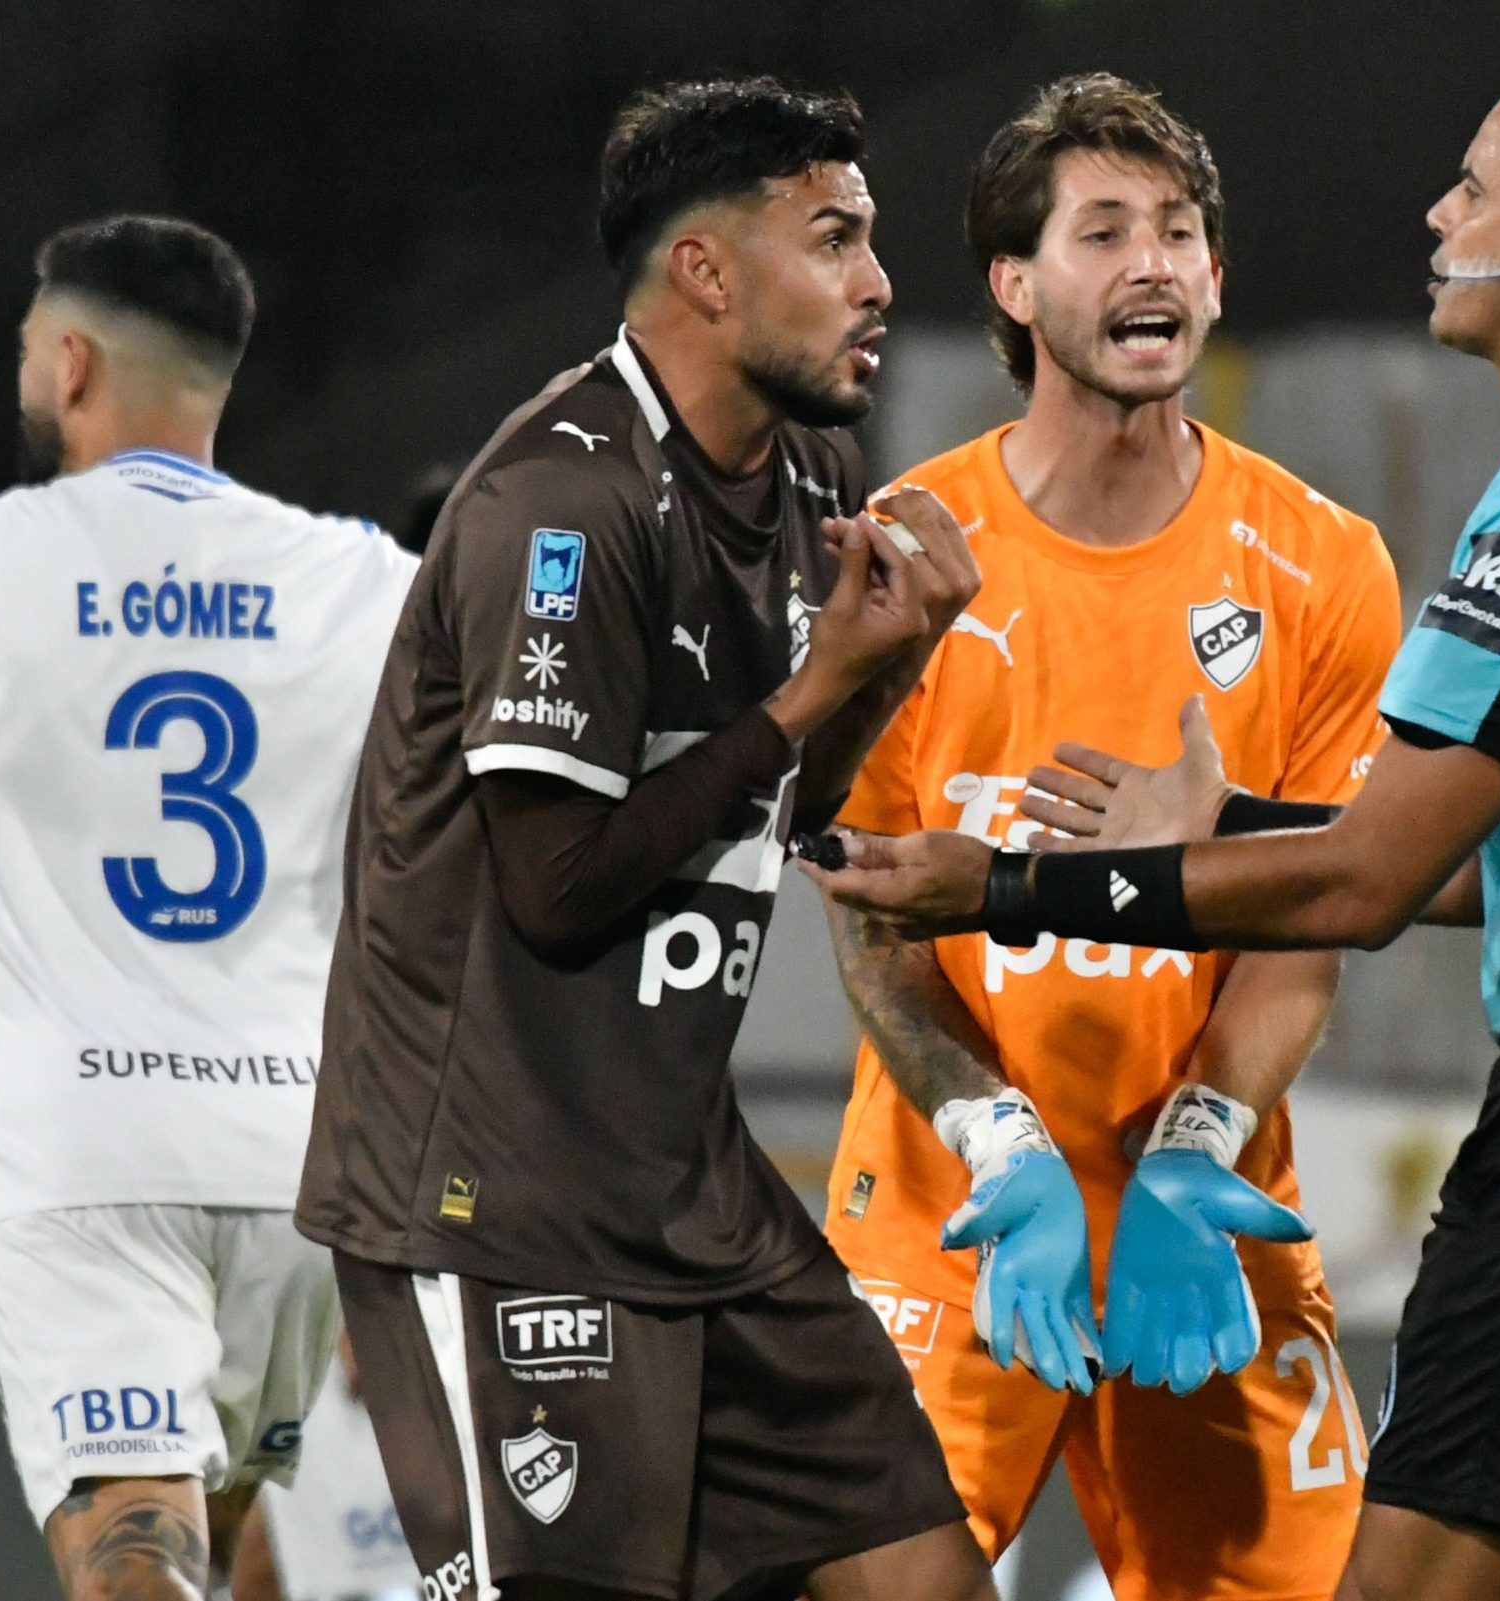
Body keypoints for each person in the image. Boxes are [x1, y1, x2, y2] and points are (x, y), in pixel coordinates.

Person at [814, 57, 1500, 1601]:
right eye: (1106, 230)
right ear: (1012, 281)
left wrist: (1014, 882)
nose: (1437, 211)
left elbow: (1364, 882)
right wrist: (1236, 831)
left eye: (1475, 188)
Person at [293, 79, 996, 1601]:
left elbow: (769, 808)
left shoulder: (809, 474)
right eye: (837, 239)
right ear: (707, 272)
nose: (879, 282)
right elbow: (557, 887)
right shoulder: (561, 501)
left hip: (687, 1188)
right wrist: (821, 685)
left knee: (928, 1575)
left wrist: (878, 681)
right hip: (494, 1199)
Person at [817, 74, 1399, 1599]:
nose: (1155, 262)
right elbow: (871, 912)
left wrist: (1194, 1148)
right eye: (1105, 230)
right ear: (1014, 286)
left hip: (1194, 1213)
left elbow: (1315, 910)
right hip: (956, 1211)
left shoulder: (1327, 565)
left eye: (1182, 231)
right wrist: (994, 1138)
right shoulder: (904, 551)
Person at [0, 215, 416, 1601]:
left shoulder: (4, 558)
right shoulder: (367, 582)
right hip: (297, 1155)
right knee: (225, 1562)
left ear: (69, 361)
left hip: (88, 1151)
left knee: (132, 1557)